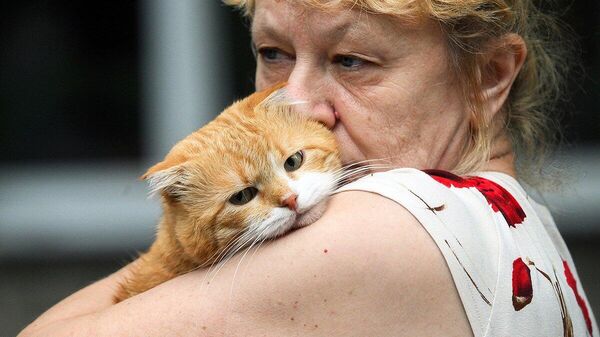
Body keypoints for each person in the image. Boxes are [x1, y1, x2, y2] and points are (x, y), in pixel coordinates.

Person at [19, 1, 598, 336]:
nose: (297, 104)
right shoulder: (513, 223)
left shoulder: (388, 226)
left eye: (352, 60)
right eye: (273, 54)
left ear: (490, 75)